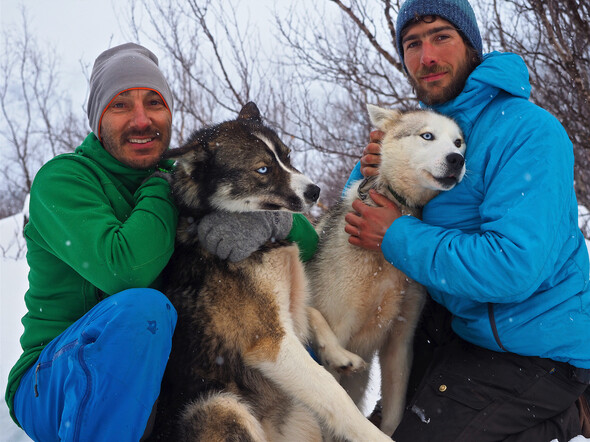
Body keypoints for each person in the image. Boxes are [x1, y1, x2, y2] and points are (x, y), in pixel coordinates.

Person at [5, 42, 317, 441]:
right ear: (97, 119)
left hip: (160, 382)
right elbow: (125, 270)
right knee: (144, 310)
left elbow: (310, 253)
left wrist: (272, 223)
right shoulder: (65, 180)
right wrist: (162, 184)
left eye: (154, 102)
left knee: (292, 317)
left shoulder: (191, 176)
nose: (141, 119)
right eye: (120, 105)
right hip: (54, 382)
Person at [344, 0, 590, 440]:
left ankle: (567, 414)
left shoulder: (529, 132)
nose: (427, 57)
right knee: (373, 432)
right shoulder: (421, 128)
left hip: (535, 348)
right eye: (412, 43)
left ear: (471, 45)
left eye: (442, 36)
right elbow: (359, 221)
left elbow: (512, 266)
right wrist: (371, 176)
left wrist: (396, 233)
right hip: (455, 324)